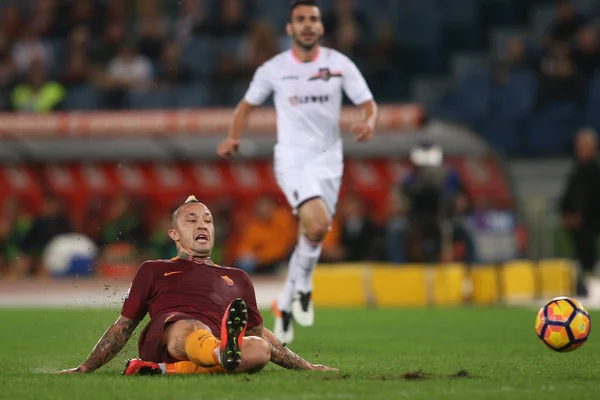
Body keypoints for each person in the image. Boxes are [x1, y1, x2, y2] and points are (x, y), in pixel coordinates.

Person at [217, 0, 377, 344]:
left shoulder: (339, 64)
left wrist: (369, 121)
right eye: (300, 19)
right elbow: (246, 104)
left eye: (313, 19)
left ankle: (289, 299)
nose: (307, 24)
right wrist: (233, 135)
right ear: (290, 28)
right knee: (317, 222)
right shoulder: (275, 69)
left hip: (330, 160)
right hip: (293, 158)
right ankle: (302, 285)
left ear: (321, 27)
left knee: (316, 232)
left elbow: (367, 102)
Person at [57, 195, 336, 375]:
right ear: (174, 235)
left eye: (208, 220)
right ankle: (215, 354)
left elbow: (259, 333)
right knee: (192, 326)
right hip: (172, 335)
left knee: (258, 349)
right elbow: (123, 327)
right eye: (192, 220)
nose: (202, 225)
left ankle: (169, 369)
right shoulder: (154, 270)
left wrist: (306, 366)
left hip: (216, 341)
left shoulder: (238, 277)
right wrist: (84, 368)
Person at [560, 128, 600, 296]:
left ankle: (593, 290)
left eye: (584, 145)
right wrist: (566, 214)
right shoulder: (576, 170)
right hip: (576, 228)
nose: (581, 148)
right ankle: (583, 289)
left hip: (592, 226)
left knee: (590, 258)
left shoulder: (595, 172)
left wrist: (582, 217)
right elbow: (567, 196)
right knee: (579, 259)